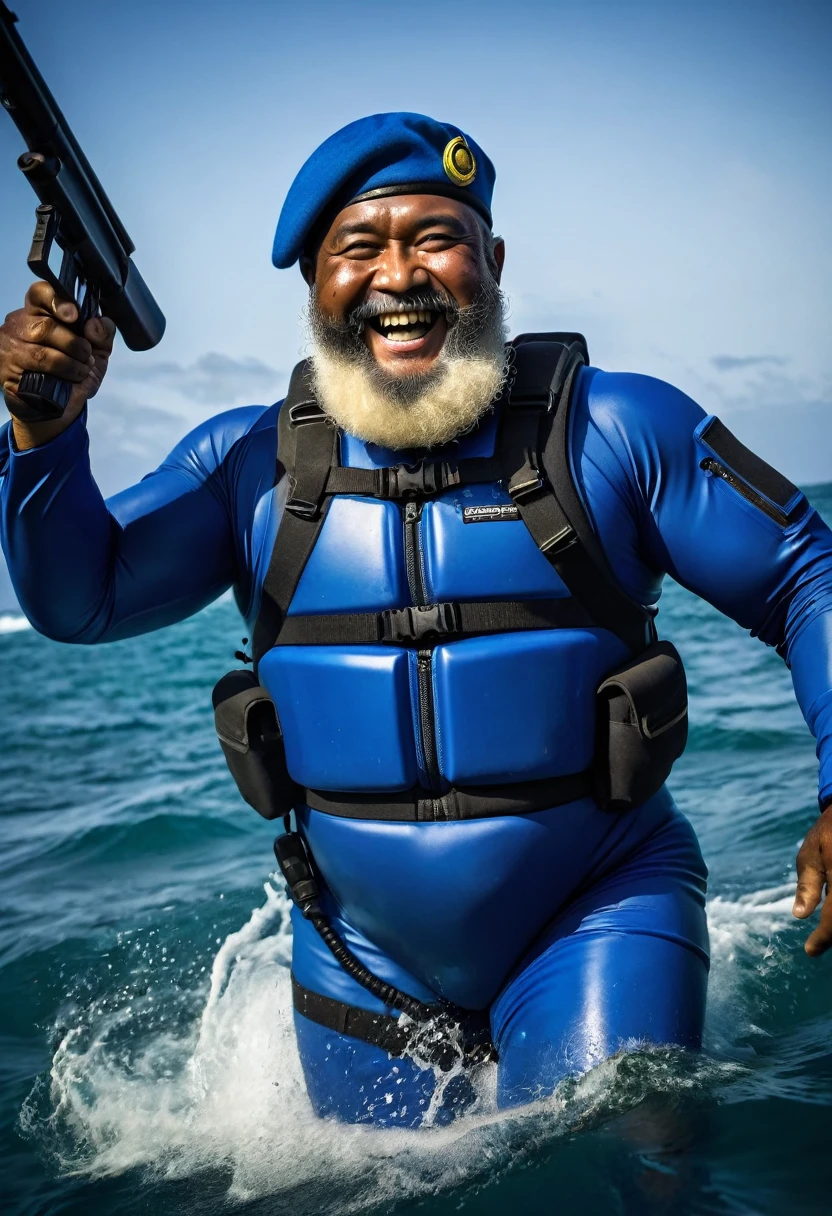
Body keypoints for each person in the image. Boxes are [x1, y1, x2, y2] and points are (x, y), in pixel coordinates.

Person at [1, 112, 831, 1128]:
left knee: (630, 1156)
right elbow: (77, 601)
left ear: (491, 258)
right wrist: (45, 430)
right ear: (315, 284)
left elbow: (804, 573)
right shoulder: (244, 468)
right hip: (360, 958)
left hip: (596, 912)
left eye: (434, 238)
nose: (399, 274)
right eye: (359, 248)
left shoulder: (615, 429)